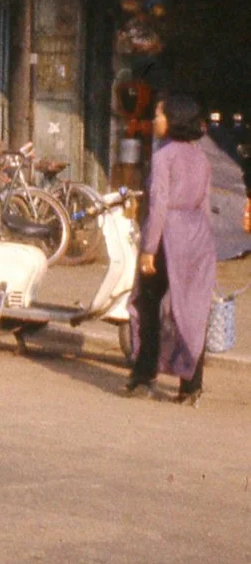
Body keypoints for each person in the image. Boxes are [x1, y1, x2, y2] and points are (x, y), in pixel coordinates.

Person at [126, 93, 217, 405]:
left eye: (159, 115)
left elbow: (159, 204)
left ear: (174, 121)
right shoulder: (201, 158)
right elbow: (204, 204)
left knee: (149, 305)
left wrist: (149, 249)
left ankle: (142, 376)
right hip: (198, 237)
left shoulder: (164, 157)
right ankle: (191, 386)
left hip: (168, 236)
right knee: (192, 310)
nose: (155, 121)